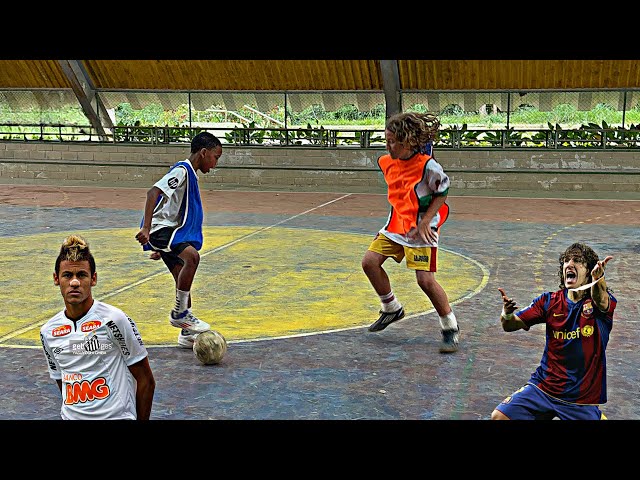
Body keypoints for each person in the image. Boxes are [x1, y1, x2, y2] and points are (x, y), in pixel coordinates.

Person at [362, 111, 460, 353]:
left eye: (393, 141)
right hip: (396, 225)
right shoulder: (386, 162)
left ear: (408, 142)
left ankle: (450, 327)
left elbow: (442, 193)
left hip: (420, 229)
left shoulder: (429, 167)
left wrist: (426, 221)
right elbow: (399, 195)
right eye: (386, 140)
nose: (388, 146)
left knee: (425, 280)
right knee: (369, 262)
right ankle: (391, 308)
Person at [492, 242, 616, 420]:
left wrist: (598, 280)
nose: (569, 264)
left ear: (588, 271)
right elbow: (509, 325)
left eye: (578, 261)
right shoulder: (549, 301)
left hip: (579, 399)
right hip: (544, 387)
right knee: (500, 417)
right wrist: (507, 314)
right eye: (566, 261)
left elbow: (600, 298)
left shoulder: (600, 305)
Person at [40, 234, 156, 420]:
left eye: (82, 275)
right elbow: (63, 381)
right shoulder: (48, 332)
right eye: (67, 275)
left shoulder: (114, 320)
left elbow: (146, 381)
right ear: (56, 279)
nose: (75, 282)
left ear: (93, 279)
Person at [135, 131, 222, 349]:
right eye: (215, 156)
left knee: (183, 284)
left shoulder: (190, 174)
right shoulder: (182, 171)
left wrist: (162, 248)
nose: (216, 162)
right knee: (192, 257)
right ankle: (179, 314)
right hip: (162, 229)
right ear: (203, 153)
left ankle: (185, 334)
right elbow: (152, 193)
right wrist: (147, 230)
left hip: (167, 234)